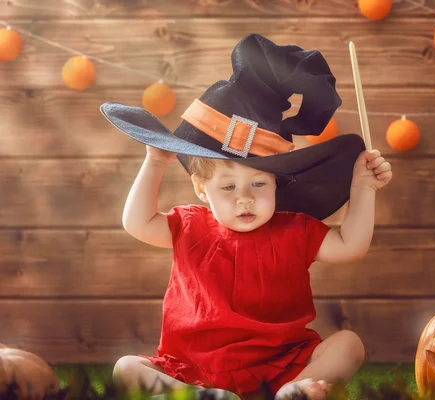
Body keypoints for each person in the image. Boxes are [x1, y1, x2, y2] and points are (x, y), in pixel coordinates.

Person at [100, 33, 392, 400]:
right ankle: (203, 397)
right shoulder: (189, 227)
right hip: (196, 368)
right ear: (201, 189)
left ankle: (293, 391)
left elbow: (350, 247)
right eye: (227, 188)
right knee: (126, 368)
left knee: (349, 344)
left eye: (258, 184)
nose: (245, 200)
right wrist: (155, 161)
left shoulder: (294, 230)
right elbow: (137, 223)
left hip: (281, 362)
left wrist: (363, 190)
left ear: (277, 184)